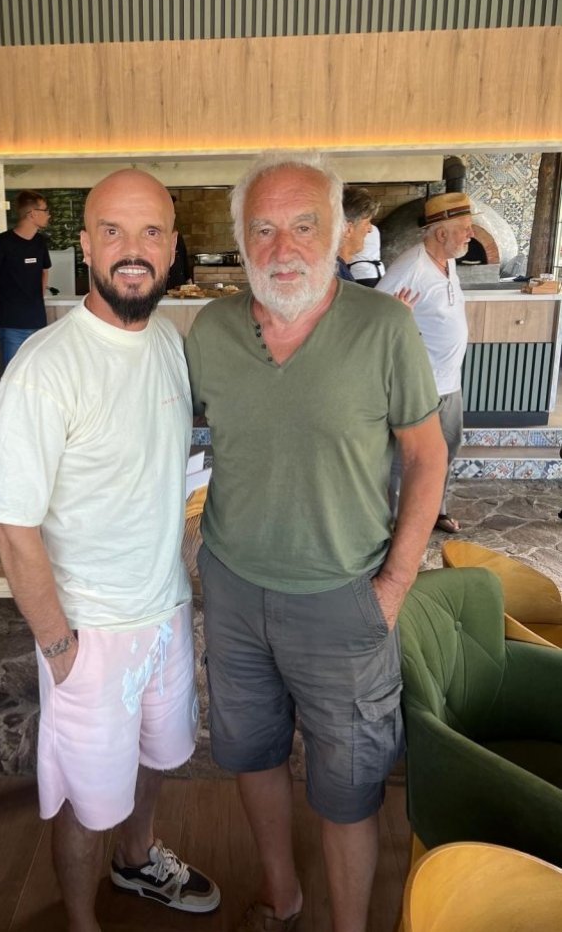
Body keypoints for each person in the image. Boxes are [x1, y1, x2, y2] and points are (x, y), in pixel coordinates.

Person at [184, 152, 447, 932]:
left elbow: (427, 457)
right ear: (241, 240)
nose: (283, 247)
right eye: (262, 229)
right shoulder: (211, 331)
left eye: (304, 225)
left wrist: (394, 586)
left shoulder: (384, 328)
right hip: (233, 592)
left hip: (345, 598)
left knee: (350, 786)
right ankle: (283, 895)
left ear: (338, 233)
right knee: (252, 755)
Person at [0, 169, 220, 932]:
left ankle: (136, 860)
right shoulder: (46, 365)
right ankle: (81, 920)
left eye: (149, 232)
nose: (132, 249)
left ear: (172, 247)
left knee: (155, 756)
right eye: (113, 231)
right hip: (88, 633)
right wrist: (58, 644)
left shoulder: (169, 342)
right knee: (85, 797)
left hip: (165, 610)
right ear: (84, 246)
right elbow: (13, 525)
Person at [376, 191, 474, 535]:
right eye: (464, 227)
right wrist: (400, 321)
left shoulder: (448, 261)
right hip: (421, 386)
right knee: (407, 458)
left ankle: (435, 511)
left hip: (450, 383)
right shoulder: (411, 267)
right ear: (441, 233)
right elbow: (374, 317)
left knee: (446, 450)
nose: (471, 233)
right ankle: (393, 523)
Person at [0, 190, 52, 366]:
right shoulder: (1, 243)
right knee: (14, 376)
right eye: (45, 210)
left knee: (37, 376)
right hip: (12, 327)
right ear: (32, 214)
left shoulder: (40, 242)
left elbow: (45, 270)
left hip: (38, 324)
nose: (48, 215)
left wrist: (38, 298)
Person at [336, 187, 380, 285]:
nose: (370, 229)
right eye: (367, 223)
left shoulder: (336, 270)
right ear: (348, 229)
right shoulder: (339, 280)